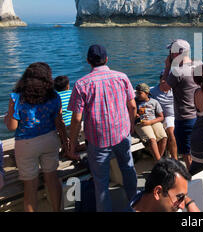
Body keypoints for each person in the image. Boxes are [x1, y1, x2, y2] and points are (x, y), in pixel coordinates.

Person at [67, 44, 138, 212]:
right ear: (107, 59)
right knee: (128, 169)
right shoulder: (122, 77)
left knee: (101, 184)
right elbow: (133, 106)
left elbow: (77, 119)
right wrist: (131, 126)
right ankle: (135, 205)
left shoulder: (81, 84)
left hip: (97, 141)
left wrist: (72, 143)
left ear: (88, 61)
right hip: (122, 134)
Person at [4, 62, 68, 212]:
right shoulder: (54, 97)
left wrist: (8, 116)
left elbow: (12, 126)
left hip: (26, 144)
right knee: (52, 179)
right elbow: (60, 123)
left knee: (30, 187)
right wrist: (65, 143)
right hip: (49, 140)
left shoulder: (17, 98)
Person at [163, 39, 200, 170]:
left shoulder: (177, 72)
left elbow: (164, 88)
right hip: (200, 114)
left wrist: (167, 66)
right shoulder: (199, 65)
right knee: (199, 150)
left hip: (185, 118)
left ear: (176, 54)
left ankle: (192, 180)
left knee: (187, 154)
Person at [128, 158, 200, 212]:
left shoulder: (145, 196)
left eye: (184, 197)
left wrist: (190, 203)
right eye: (180, 198)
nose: (182, 206)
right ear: (158, 192)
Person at [135, 83, 168, 161]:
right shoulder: (134, 102)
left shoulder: (154, 102)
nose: (137, 95)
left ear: (146, 93)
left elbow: (161, 117)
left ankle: (158, 159)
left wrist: (150, 122)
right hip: (141, 123)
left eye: (140, 93)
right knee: (152, 139)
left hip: (153, 121)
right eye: (136, 93)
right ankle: (159, 162)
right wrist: (135, 115)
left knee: (164, 137)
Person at [151, 71, 177, 160]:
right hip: (166, 117)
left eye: (167, 79)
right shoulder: (153, 92)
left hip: (178, 115)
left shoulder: (175, 89)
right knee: (171, 132)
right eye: (163, 78)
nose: (164, 81)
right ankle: (175, 159)